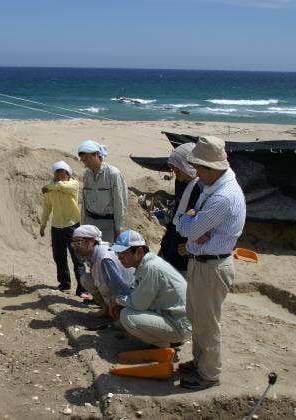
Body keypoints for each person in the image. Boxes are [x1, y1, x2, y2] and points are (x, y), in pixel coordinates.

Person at [176, 136, 246, 390]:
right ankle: (200, 362)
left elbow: (187, 229)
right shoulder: (218, 183)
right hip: (203, 261)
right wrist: (195, 230)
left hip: (212, 266)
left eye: (198, 168)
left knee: (208, 323)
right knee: (197, 317)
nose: (195, 173)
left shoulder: (222, 197)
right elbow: (194, 232)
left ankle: (209, 375)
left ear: (210, 168)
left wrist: (190, 221)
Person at [109, 230, 192, 349]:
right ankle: (167, 339)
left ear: (139, 251)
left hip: (180, 324)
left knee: (127, 316)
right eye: (118, 254)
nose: (119, 257)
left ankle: (164, 345)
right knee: (127, 309)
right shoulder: (147, 264)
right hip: (177, 319)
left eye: (123, 254)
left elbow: (139, 304)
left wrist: (117, 301)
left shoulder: (150, 268)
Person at [40, 160, 87, 296]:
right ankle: (65, 284)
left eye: (62, 174)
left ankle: (82, 289)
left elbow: (63, 187)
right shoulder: (50, 188)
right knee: (59, 257)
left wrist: (50, 186)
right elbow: (47, 206)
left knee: (77, 259)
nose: (60, 177)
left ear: (68, 174)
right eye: (57, 174)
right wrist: (43, 223)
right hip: (56, 226)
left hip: (72, 226)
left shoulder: (73, 184)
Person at [71, 225, 134, 318]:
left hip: (130, 294)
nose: (75, 247)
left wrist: (117, 305)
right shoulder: (92, 253)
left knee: (120, 325)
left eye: (79, 242)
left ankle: (120, 313)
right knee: (86, 279)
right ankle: (106, 309)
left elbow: (120, 289)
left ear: (91, 241)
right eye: (74, 243)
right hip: (118, 292)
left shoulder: (104, 259)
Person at [158, 143, 201, 276]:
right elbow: (177, 212)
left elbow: (201, 220)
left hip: (187, 243)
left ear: (188, 166)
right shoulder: (180, 181)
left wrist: (190, 244)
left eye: (178, 170)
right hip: (174, 235)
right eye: (174, 170)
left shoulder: (201, 187)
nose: (176, 174)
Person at [77, 140, 128, 243]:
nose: (86, 163)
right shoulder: (87, 174)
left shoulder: (113, 174)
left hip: (107, 225)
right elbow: (85, 202)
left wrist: (118, 229)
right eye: (83, 160)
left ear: (97, 155)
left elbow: (120, 203)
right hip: (89, 223)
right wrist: (82, 225)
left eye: (88, 158)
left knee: (105, 255)